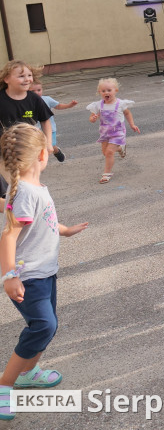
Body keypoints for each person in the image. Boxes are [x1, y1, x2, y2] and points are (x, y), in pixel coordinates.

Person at [0, 124, 87, 419]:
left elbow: (43, 221)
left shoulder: (35, 189)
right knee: (43, 327)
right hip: (28, 276)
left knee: (47, 327)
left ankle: (29, 373)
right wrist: (9, 276)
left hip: (45, 271)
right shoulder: (25, 191)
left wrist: (64, 231)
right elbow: (9, 235)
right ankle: (4, 386)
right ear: (41, 154)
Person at [0, 62, 54, 198]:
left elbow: (45, 120)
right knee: (15, 187)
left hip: (28, 148)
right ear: (6, 79)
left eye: (29, 75)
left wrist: (48, 144)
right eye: (21, 76)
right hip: (5, 151)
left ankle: (28, 211)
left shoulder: (34, 99)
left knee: (28, 184)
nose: (27, 79)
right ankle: (18, 212)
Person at [86, 78, 139, 184]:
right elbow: (91, 118)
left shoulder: (120, 104)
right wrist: (93, 118)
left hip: (118, 132)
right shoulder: (98, 105)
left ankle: (106, 174)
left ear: (115, 91)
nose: (106, 93)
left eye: (109, 90)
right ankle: (120, 148)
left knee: (109, 152)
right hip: (105, 133)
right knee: (105, 153)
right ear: (99, 92)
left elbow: (127, 113)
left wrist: (132, 124)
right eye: (103, 91)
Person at [29, 81, 75, 163]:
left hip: (50, 129)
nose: (36, 93)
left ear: (42, 90)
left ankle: (57, 152)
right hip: (35, 131)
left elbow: (58, 105)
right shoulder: (26, 102)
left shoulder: (47, 99)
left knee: (50, 146)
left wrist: (69, 105)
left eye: (39, 90)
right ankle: (38, 162)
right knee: (37, 147)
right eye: (32, 91)